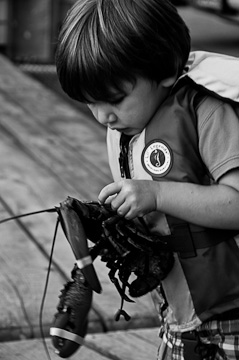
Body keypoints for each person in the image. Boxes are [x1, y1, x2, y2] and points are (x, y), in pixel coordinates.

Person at [55, 0, 239, 358]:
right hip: (178, 319)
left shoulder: (209, 111)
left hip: (231, 320)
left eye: (114, 99)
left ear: (166, 70)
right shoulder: (130, 125)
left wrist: (155, 193)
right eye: (89, 103)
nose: (103, 116)